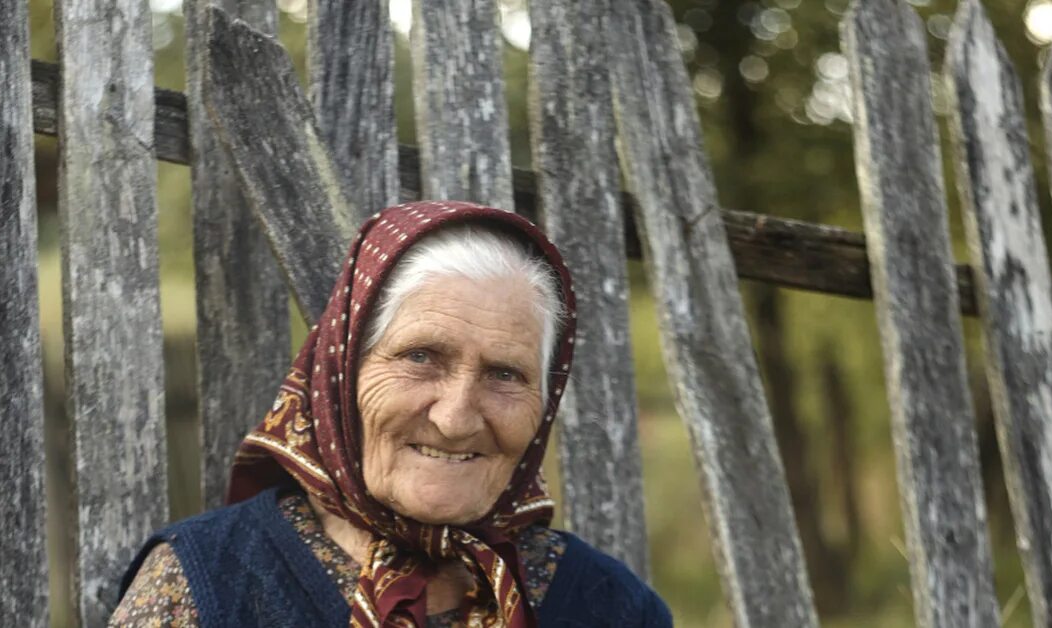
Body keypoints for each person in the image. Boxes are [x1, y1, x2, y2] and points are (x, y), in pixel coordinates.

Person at [110, 201, 673, 627]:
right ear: (341, 373)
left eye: (505, 374)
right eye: (421, 357)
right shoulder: (204, 586)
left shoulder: (610, 605)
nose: (455, 419)